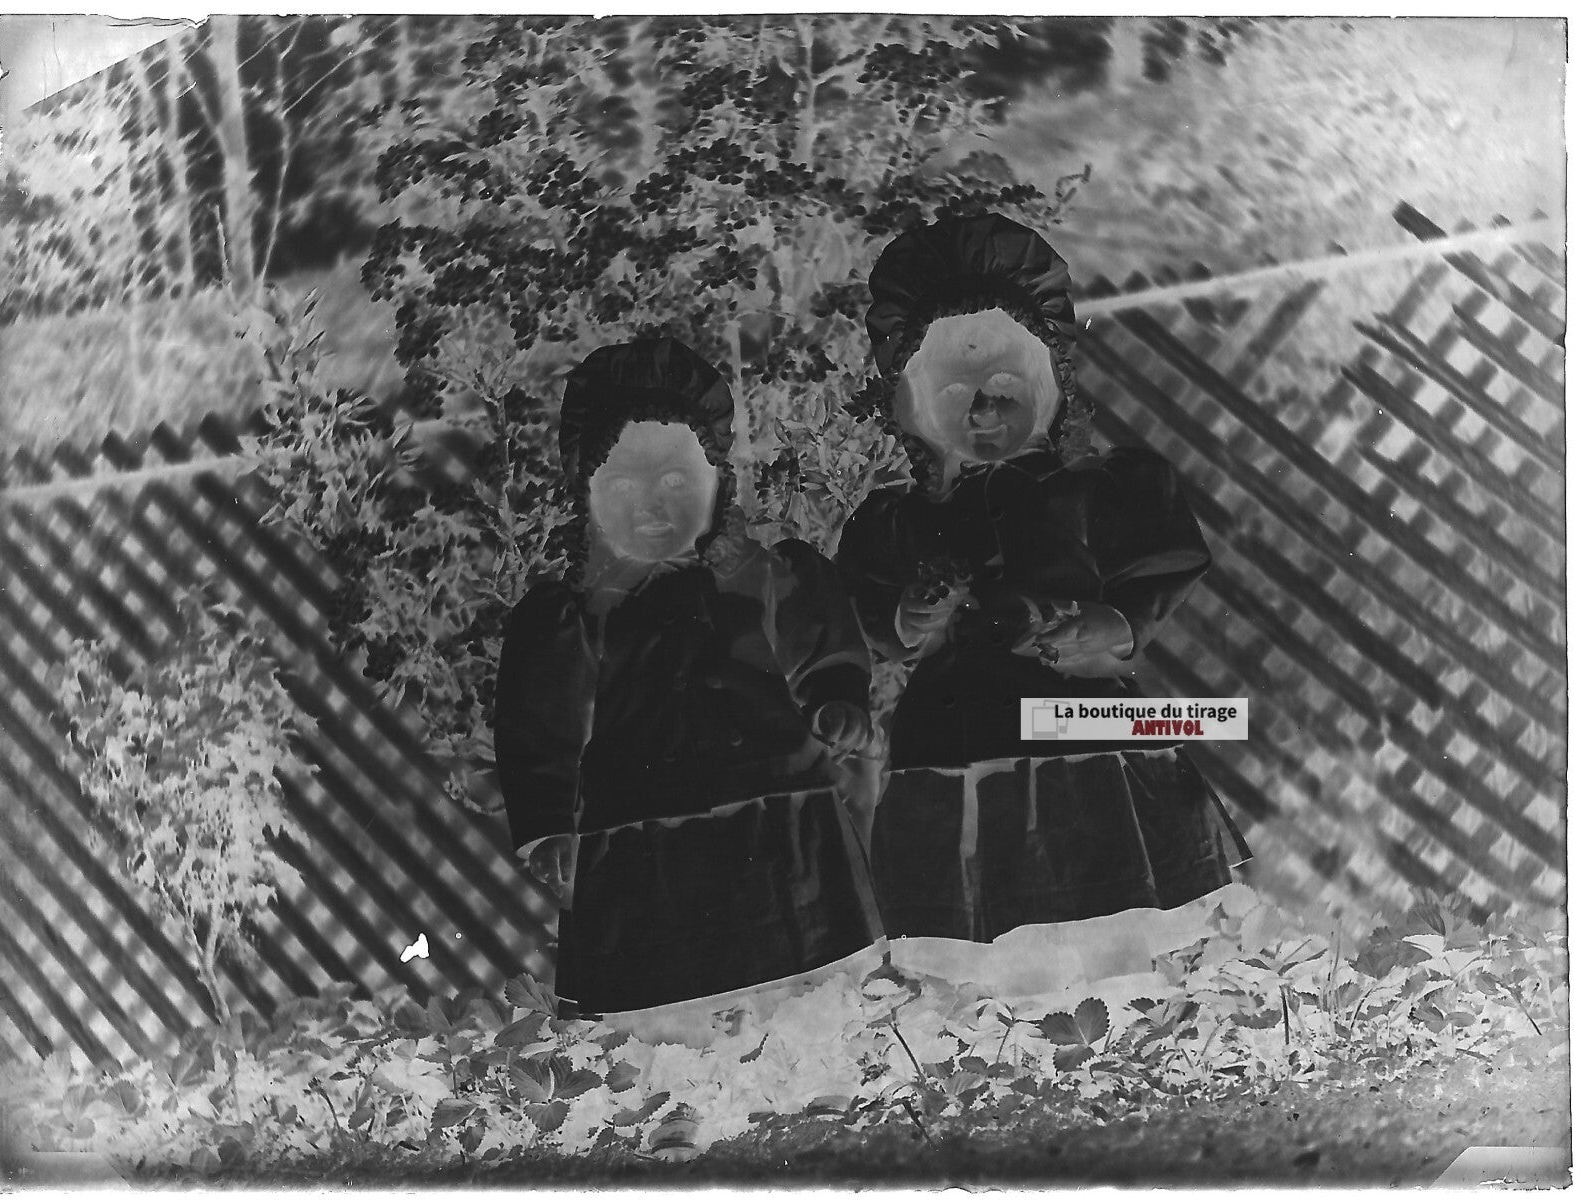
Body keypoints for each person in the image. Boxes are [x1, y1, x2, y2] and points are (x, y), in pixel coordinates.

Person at [837, 212, 1251, 994]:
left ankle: (1118, 988)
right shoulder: (903, 517)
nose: (983, 411)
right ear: (915, 404)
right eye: (955, 392)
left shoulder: (1098, 488)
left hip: (1077, 707)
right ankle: (1001, 1004)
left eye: (1003, 387)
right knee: (978, 888)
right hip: (955, 728)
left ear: (1052, 381)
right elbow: (864, 602)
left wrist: (1115, 621)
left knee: (1102, 868)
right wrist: (906, 619)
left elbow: (1162, 558)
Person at [494, 337, 882, 1040]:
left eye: (676, 481)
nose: (652, 504)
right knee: (666, 992)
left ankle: (810, 1062)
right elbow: (537, 725)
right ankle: (677, 1083)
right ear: (585, 493)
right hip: (641, 832)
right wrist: (548, 822)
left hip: (775, 817)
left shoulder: (764, 578)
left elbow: (823, 646)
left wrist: (837, 700)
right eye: (623, 485)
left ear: (717, 485)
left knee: (798, 969)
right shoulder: (574, 616)